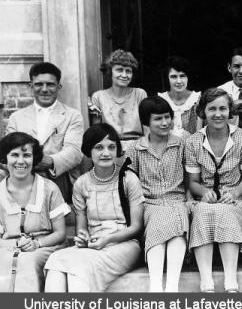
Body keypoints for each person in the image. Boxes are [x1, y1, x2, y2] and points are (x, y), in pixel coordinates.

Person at [44, 124, 144, 292]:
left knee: (79, 269)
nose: (106, 153)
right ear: (88, 151)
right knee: (55, 261)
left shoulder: (128, 179)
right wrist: (82, 237)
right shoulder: (81, 183)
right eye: (99, 147)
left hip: (125, 244)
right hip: (94, 244)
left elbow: (136, 227)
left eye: (111, 147)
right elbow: (81, 229)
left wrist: (108, 239)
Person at [185, 88, 242, 292]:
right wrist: (204, 192)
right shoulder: (193, 142)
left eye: (223, 109)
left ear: (230, 111)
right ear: (203, 112)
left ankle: (230, 280)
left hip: (237, 200)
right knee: (202, 212)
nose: (218, 114)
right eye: (212, 109)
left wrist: (234, 193)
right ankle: (206, 280)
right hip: (206, 200)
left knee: (225, 212)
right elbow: (193, 182)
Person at [126, 96, 189, 292]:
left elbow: (189, 178)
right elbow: (130, 182)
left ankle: (171, 288)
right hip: (148, 204)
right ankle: (155, 286)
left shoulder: (181, 144)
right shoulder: (135, 148)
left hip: (177, 200)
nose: (165, 123)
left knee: (177, 225)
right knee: (160, 221)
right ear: (146, 122)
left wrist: (189, 200)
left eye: (167, 117)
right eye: (158, 119)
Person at [4, 62, 84, 203]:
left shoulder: (72, 115)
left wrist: (50, 161)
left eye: (50, 84)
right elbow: (6, 152)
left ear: (59, 87)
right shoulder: (16, 118)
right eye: (39, 84)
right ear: (31, 86)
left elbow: (75, 152)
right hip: (22, 175)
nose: (45, 89)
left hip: (57, 178)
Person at [0, 132, 69, 292]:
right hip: (9, 248)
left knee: (26, 263)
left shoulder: (49, 189)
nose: (21, 161)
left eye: (27, 155)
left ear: (34, 158)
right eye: (14, 155)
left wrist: (36, 244)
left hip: (44, 248)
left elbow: (60, 233)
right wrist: (13, 244)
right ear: (5, 158)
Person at [90, 49, 147, 149]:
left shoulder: (139, 94)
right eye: (119, 70)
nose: (124, 75)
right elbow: (97, 134)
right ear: (110, 71)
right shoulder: (98, 97)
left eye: (128, 71)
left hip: (138, 148)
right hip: (109, 148)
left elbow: (147, 128)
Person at [158, 56, 202, 137]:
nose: (179, 81)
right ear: (167, 78)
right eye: (174, 77)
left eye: (182, 76)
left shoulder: (197, 100)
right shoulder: (161, 100)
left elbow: (199, 135)